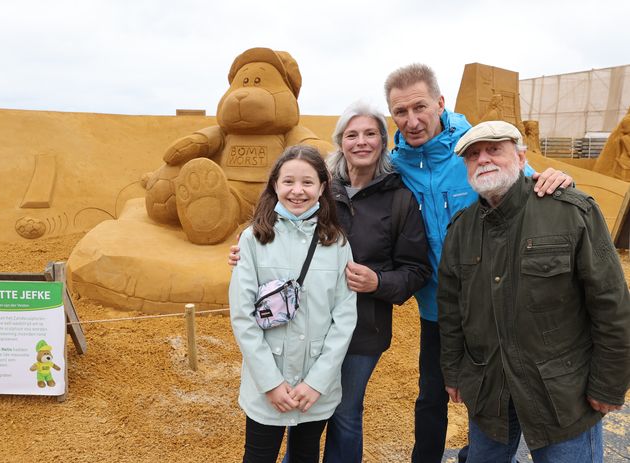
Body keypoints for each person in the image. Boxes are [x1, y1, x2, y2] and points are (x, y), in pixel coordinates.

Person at [384, 63, 573, 463]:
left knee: (492, 392)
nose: (412, 121)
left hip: (496, 302)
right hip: (440, 307)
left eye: (420, 107)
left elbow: (530, 185)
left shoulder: (475, 150)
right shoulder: (394, 167)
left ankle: (477, 453)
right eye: (400, 112)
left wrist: (556, 179)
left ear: (440, 102)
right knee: (432, 393)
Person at [231, 102, 432, 462]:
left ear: (385, 141)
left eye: (371, 133)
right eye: (352, 134)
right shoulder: (325, 190)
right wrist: (247, 253)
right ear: (340, 142)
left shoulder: (398, 198)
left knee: (344, 415)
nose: (361, 141)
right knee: (280, 432)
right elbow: (246, 306)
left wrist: (378, 281)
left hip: (360, 327)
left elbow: (415, 270)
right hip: (287, 343)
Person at [437, 120, 630, 462]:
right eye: (473, 155)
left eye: (494, 150)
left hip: (562, 394)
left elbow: (611, 303)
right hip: (489, 391)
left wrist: (609, 383)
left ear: (522, 157)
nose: (483, 159)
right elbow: (451, 309)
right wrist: (453, 372)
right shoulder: (461, 230)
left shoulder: (571, 212)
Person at [229, 145, 358, 463]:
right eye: (288, 182)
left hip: (315, 384)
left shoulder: (337, 243)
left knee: (305, 455)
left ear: (322, 188)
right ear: (274, 184)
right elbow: (242, 316)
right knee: (259, 455)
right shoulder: (254, 238)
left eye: (307, 182)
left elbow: (344, 317)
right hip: (266, 381)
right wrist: (270, 383)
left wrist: (317, 382)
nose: (297, 191)